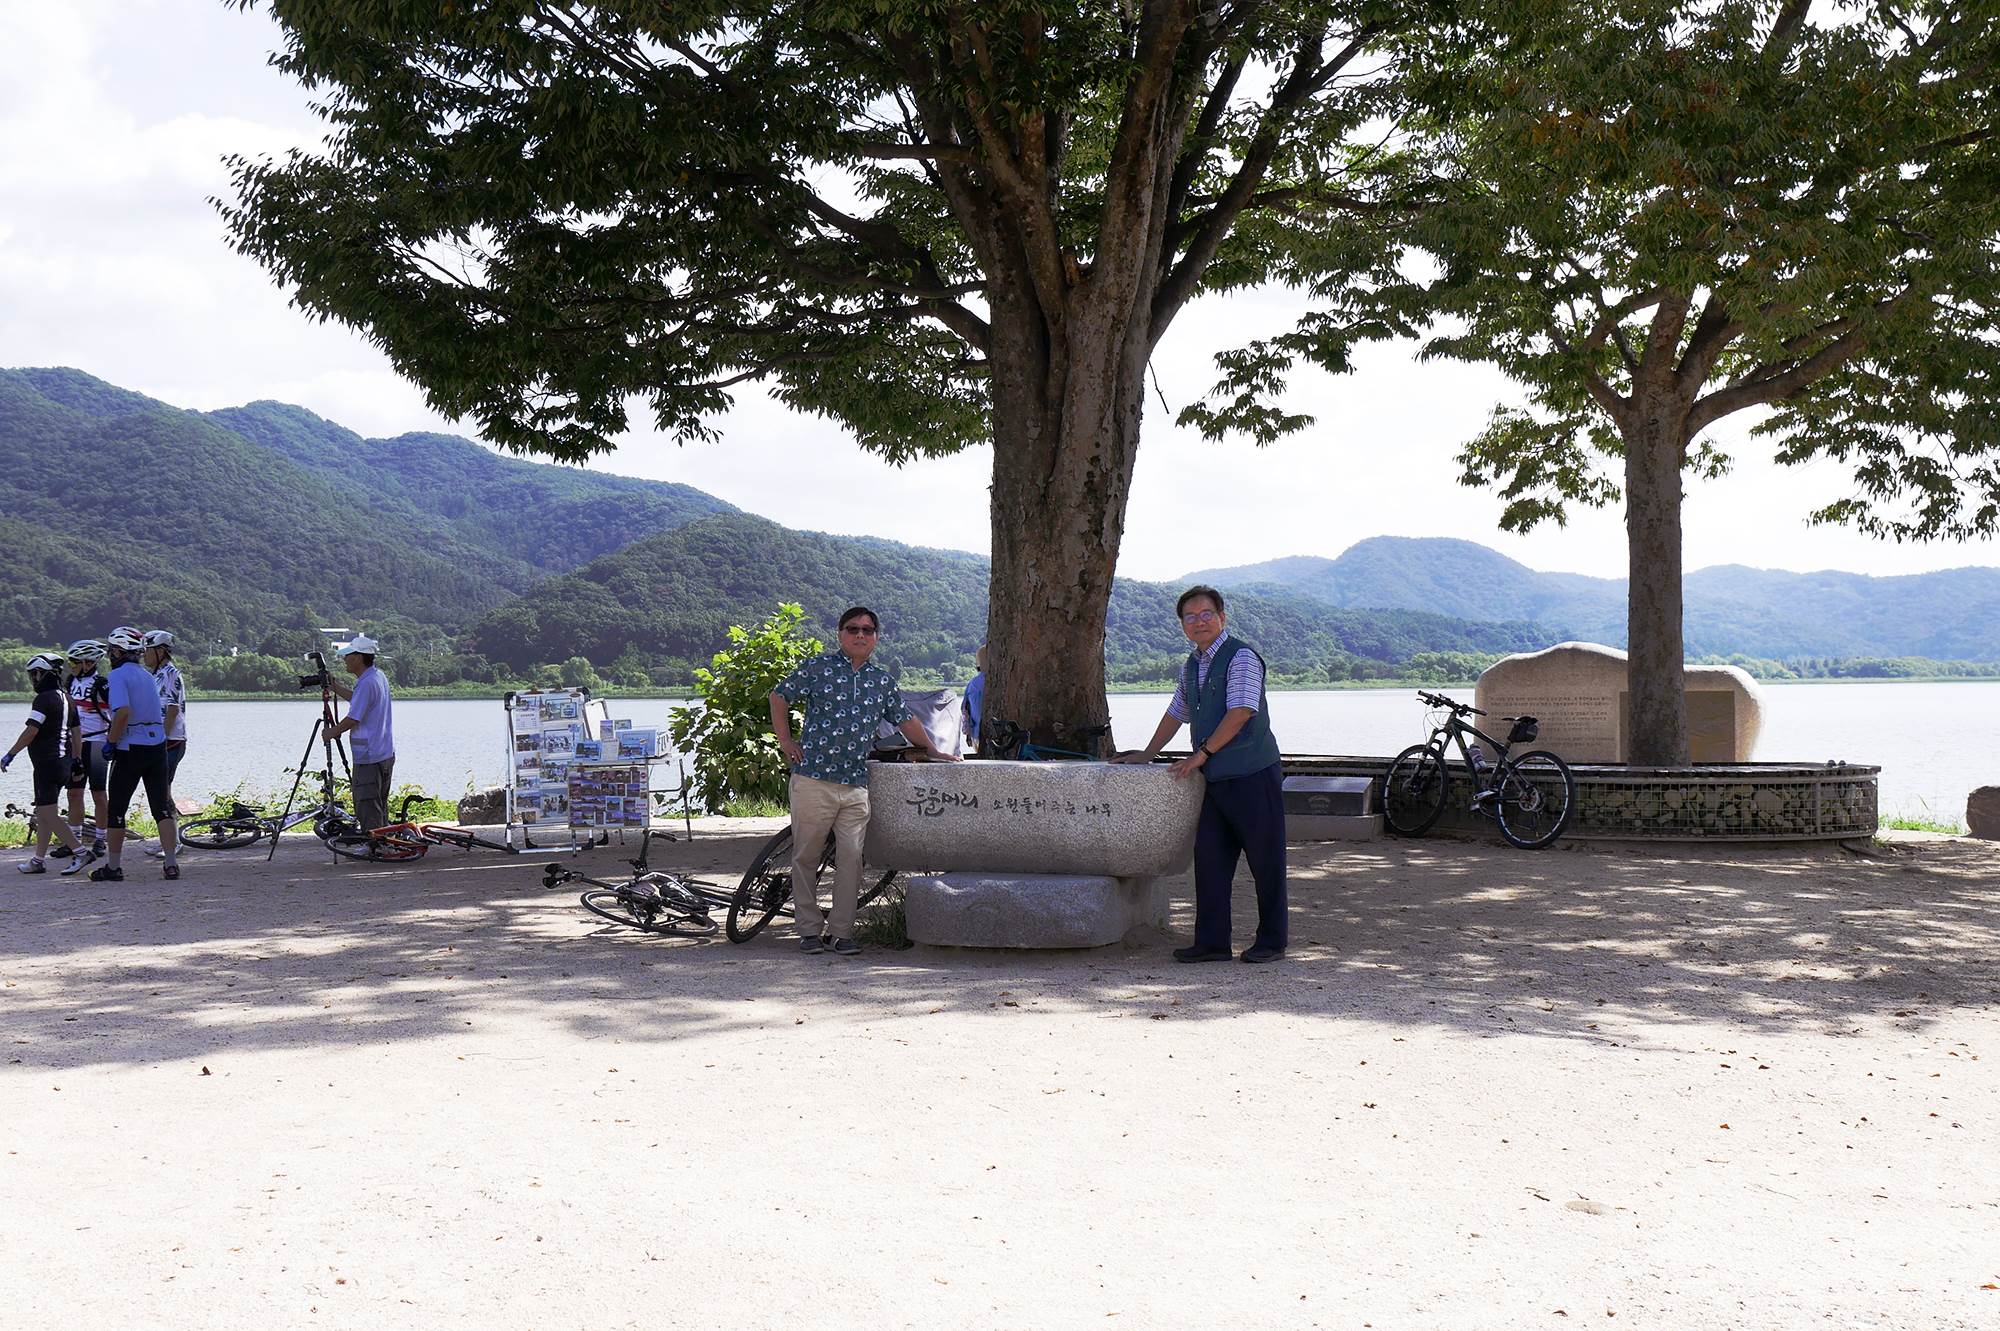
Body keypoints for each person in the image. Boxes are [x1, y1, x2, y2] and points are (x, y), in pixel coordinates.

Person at [769, 606, 959, 956]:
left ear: (876, 638)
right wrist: (785, 740)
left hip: (856, 784)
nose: (860, 634)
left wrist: (933, 750)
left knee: (852, 861)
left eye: (867, 630)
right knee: (806, 857)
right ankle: (809, 930)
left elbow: (905, 720)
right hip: (813, 779)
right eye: (853, 628)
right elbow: (779, 696)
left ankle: (841, 933)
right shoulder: (818, 668)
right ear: (840, 634)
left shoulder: (882, 682)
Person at [1115, 585, 1288, 964]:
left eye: (1206, 614)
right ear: (1182, 625)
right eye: (1190, 617)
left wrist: (1201, 754)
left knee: (1266, 861)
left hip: (1253, 772)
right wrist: (1147, 753)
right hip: (1214, 778)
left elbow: (1241, 711)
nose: (1199, 622)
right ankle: (1212, 943)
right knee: (1210, 860)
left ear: (1222, 618)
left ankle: (1272, 941)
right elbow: (1177, 711)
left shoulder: (1241, 657)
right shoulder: (1192, 664)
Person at [93, 626, 179, 881]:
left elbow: (122, 712)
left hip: (130, 747)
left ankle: (113, 867)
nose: (109, 654)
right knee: (161, 808)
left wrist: (110, 742)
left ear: (118, 651)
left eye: (111, 650)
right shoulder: (147, 675)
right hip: (157, 745)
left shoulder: (117, 675)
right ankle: (171, 864)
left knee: (117, 809)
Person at [2, 653, 85, 873]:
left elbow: (31, 731)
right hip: (64, 762)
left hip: (47, 764)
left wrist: (10, 754)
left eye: (33, 674)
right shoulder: (68, 698)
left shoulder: (43, 699)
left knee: (47, 814)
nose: (33, 679)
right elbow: (77, 732)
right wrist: (77, 759)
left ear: (41, 673)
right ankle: (38, 860)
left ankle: (80, 852)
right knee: (44, 812)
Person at [324, 634, 394, 834]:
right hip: (383, 752)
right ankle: (383, 841)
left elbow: (354, 718)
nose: (345, 660)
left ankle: (374, 844)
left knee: (367, 805)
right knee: (378, 805)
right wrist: (335, 687)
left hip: (369, 757)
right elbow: (359, 700)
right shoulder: (377, 676)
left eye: (348, 656)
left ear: (358, 657)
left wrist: (332, 732)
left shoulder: (366, 683)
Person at [60, 638, 113, 876]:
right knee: (73, 793)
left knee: (99, 793)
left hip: (97, 741)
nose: (71, 666)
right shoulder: (70, 682)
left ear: (88, 662)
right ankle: (74, 841)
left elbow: (117, 712)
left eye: (74, 662)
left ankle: (101, 839)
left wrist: (113, 740)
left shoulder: (102, 684)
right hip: (75, 742)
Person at [140, 630, 188, 858]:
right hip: (156, 740)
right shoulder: (154, 675)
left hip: (170, 741)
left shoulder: (171, 674)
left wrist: (161, 739)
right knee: (158, 791)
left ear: (160, 651)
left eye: (147, 650)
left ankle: (174, 843)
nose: (144, 655)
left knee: (163, 791)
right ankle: (166, 840)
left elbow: (172, 710)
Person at [962, 642, 987, 751]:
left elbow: (965, 709)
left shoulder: (973, 684)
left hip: (977, 733)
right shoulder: (1002, 682)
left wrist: (968, 734)